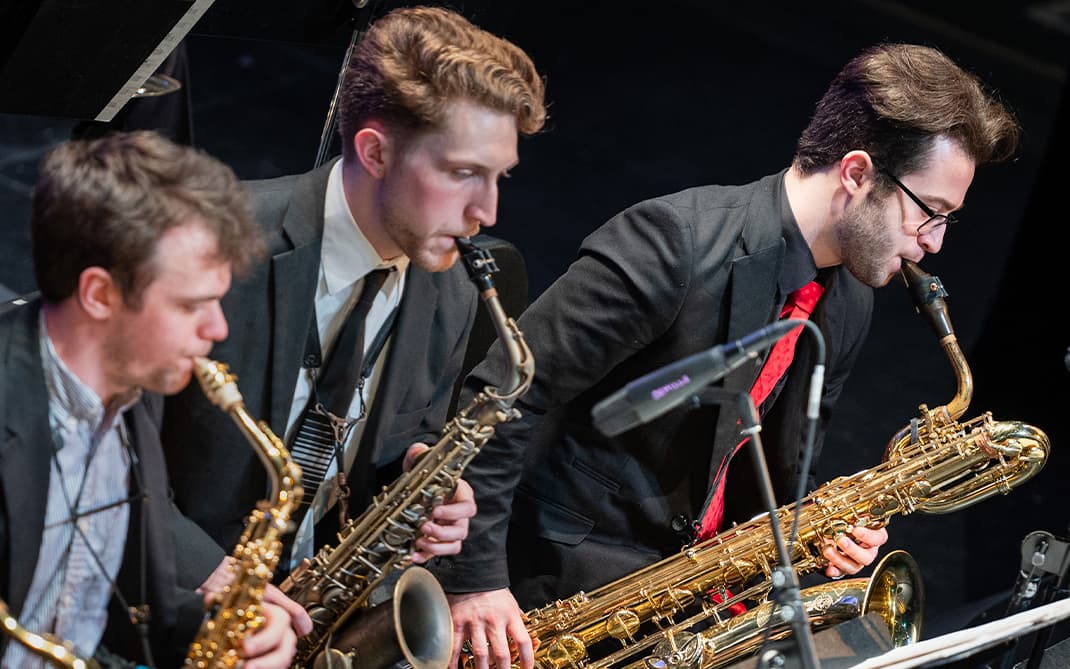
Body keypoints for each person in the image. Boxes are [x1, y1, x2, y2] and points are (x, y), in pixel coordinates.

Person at [434, 42, 1022, 669]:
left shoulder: (850, 301)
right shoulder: (673, 244)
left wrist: (822, 531)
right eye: (930, 212)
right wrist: (474, 580)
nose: (934, 243)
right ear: (856, 174)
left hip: (686, 612)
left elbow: (777, 474)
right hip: (545, 592)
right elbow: (498, 401)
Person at [159, 2, 547, 606]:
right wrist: (206, 570)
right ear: (375, 153)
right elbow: (103, 446)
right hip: (164, 599)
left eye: (500, 177)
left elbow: (403, 444)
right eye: (463, 173)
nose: (487, 212)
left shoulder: (456, 286)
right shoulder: (212, 240)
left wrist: (420, 489)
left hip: (306, 609)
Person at [0, 130, 305, 668]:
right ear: (100, 294)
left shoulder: (131, 393)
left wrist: (228, 631)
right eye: (191, 306)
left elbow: (120, 613)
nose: (218, 329)